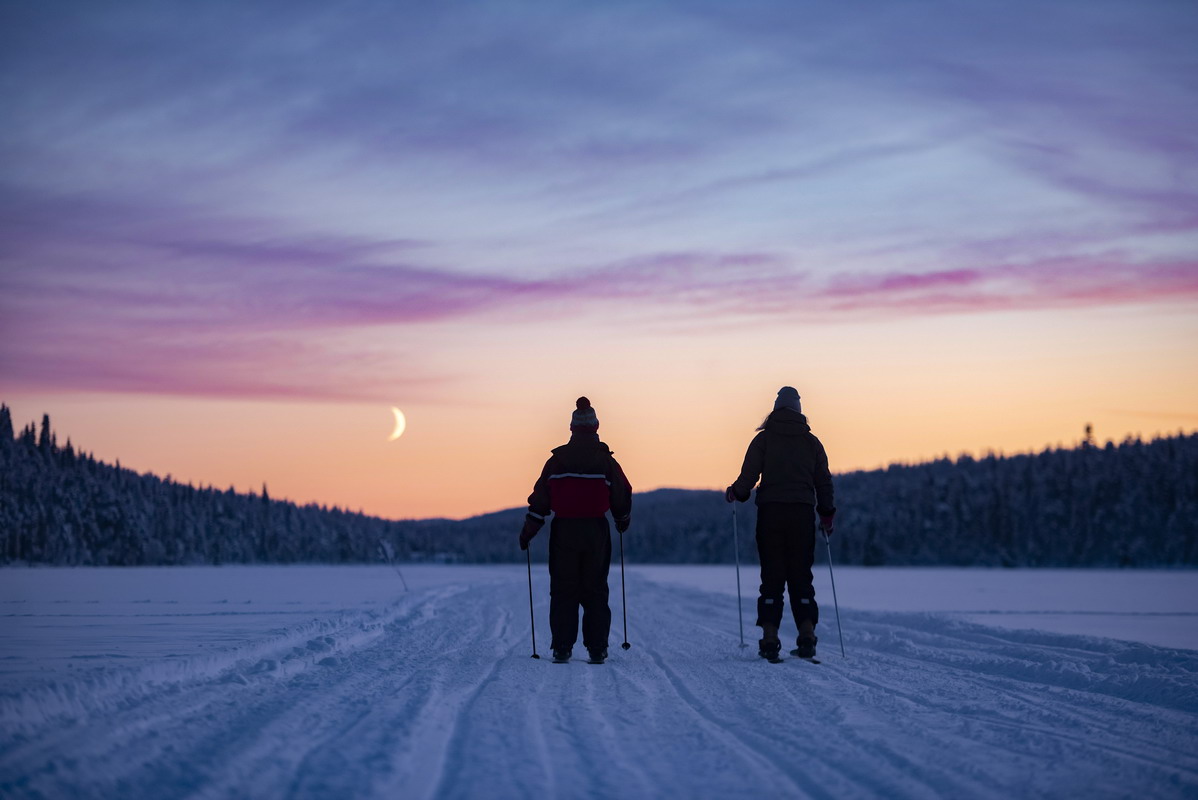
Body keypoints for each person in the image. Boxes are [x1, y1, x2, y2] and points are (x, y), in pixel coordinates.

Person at [726, 386, 835, 661]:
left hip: (771, 514)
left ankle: (770, 638)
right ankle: (807, 635)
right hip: (801, 514)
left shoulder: (764, 440)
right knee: (801, 577)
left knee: (772, 578)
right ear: (799, 410)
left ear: (775, 408)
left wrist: (736, 492)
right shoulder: (812, 443)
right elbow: (823, 482)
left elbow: (747, 478)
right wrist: (826, 514)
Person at [520, 397, 632, 664]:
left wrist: (528, 532)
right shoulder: (606, 461)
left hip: (564, 530)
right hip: (596, 530)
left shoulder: (557, 461)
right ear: (595, 427)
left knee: (563, 588)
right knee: (595, 588)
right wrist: (622, 519)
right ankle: (597, 649)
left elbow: (540, 501)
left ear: (572, 428)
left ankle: (562, 647)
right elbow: (622, 493)